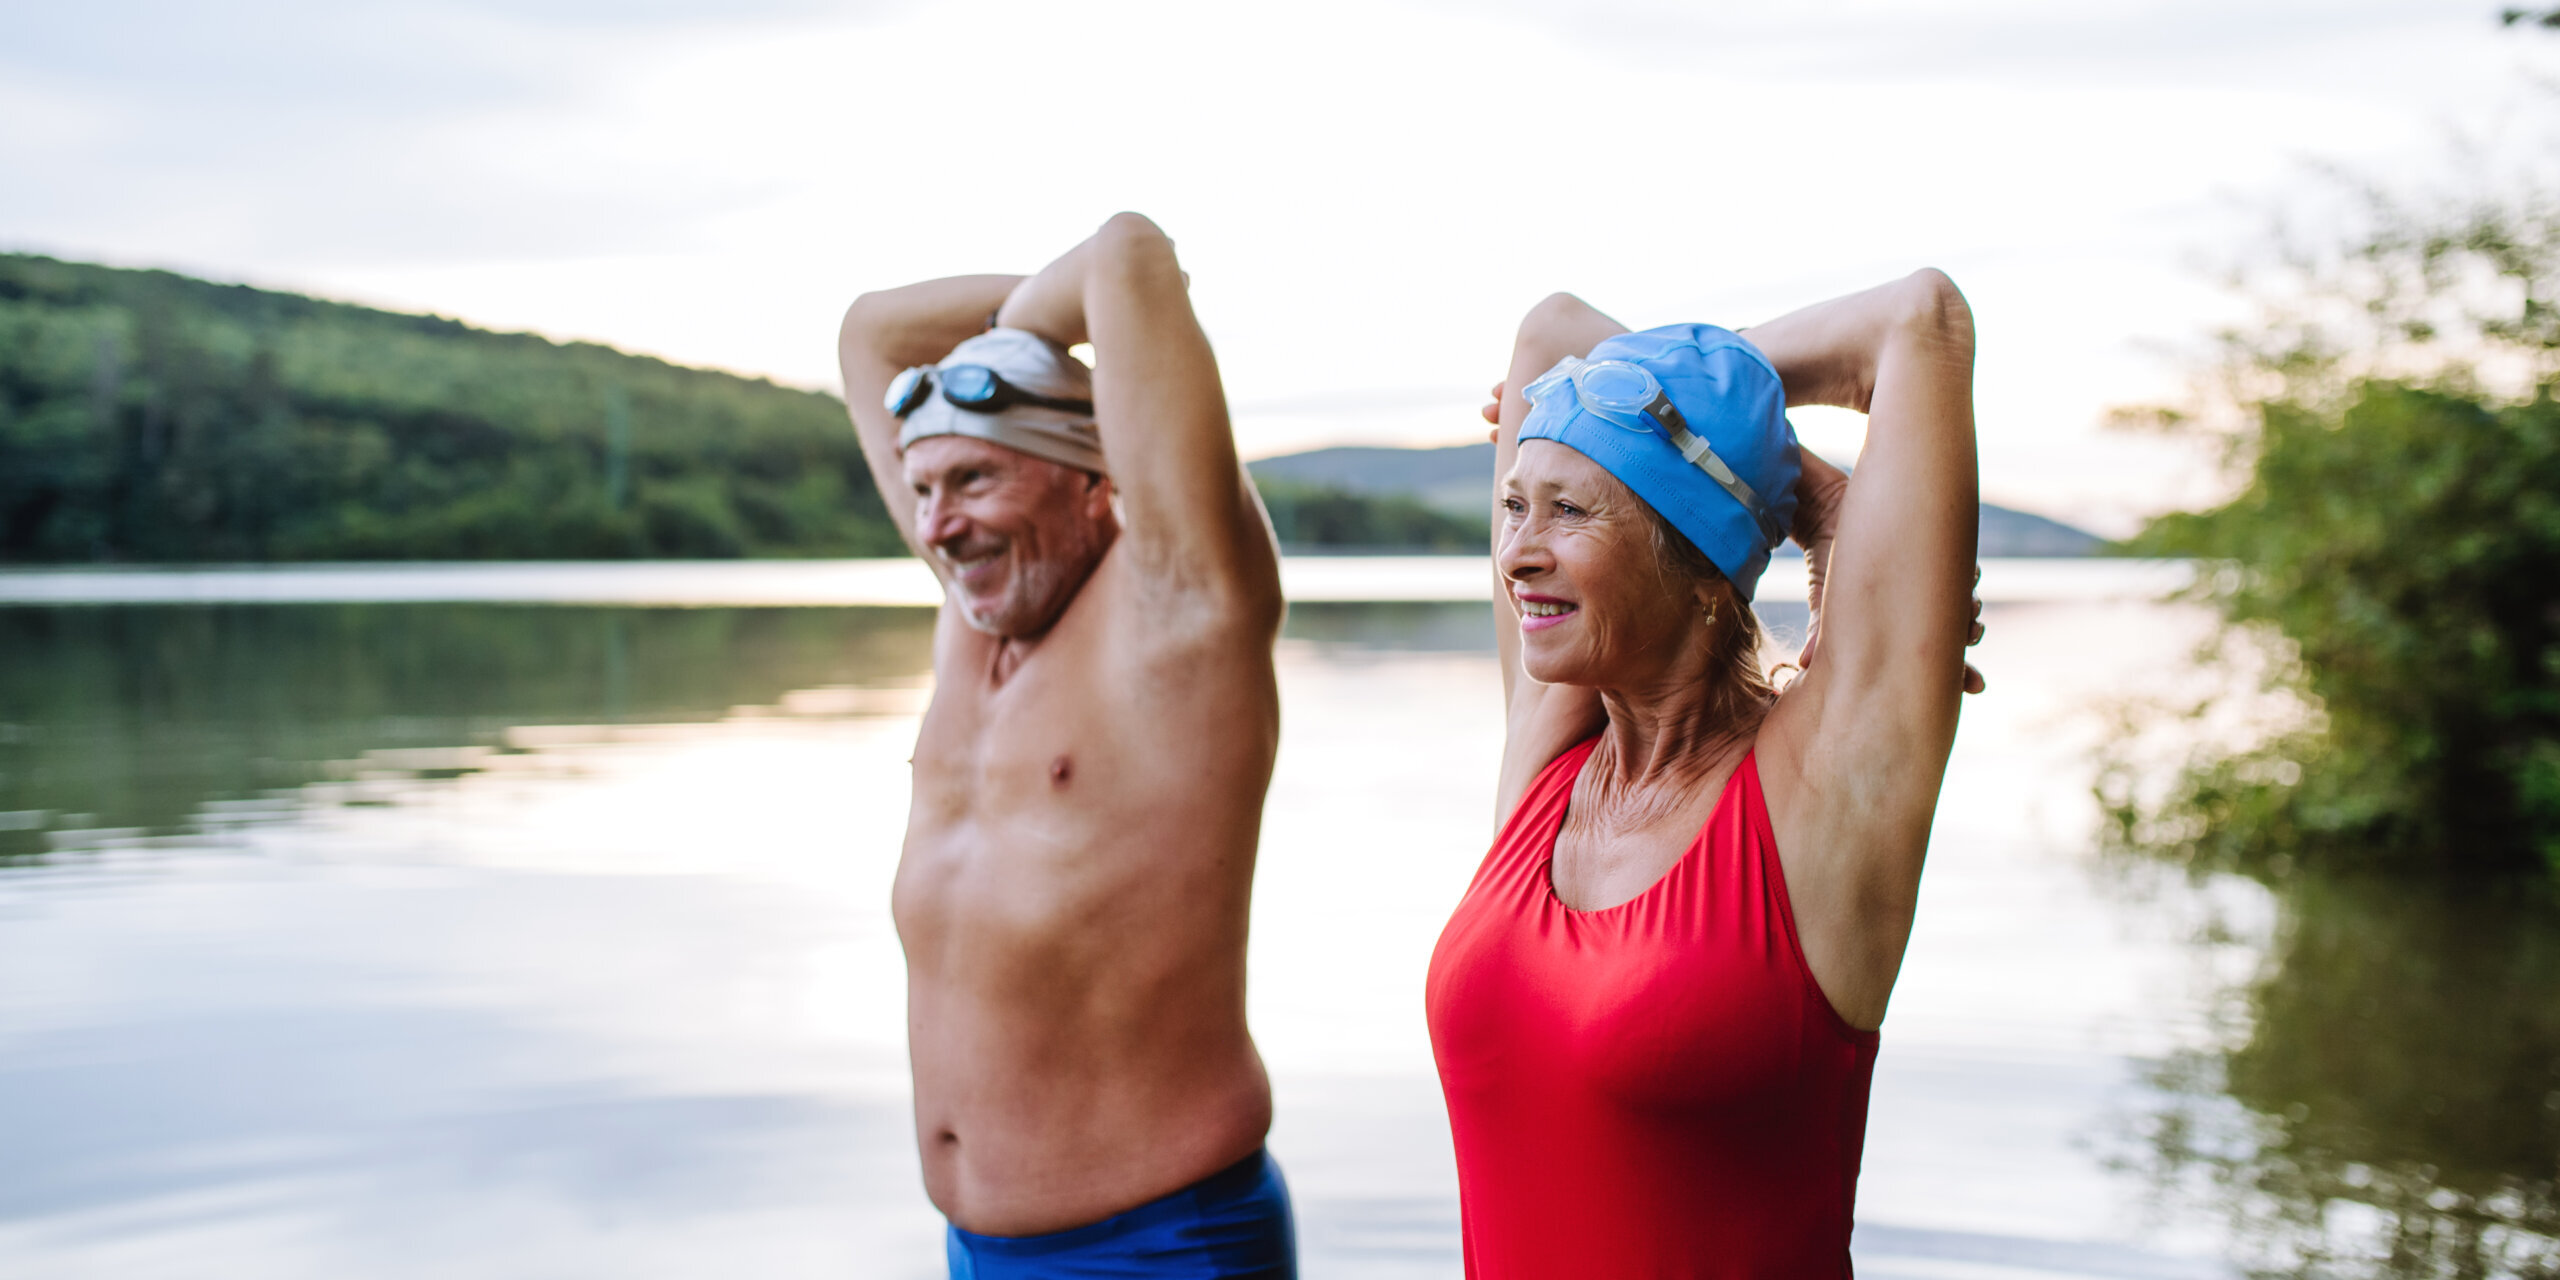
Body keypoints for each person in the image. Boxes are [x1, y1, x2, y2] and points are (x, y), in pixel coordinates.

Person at [1424, 275, 1985, 1277]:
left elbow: (1920, 322)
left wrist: (1773, 475)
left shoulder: (1825, 787)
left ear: (1694, 559)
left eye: (1569, 511)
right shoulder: (1549, 753)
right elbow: (1548, 326)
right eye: (1514, 505)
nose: (1516, 555)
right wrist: (1735, 445)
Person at [836, 213, 1294, 1279]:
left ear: (1094, 480)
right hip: (974, 1245)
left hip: (1160, 1242)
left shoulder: (1182, 614)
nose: (938, 525)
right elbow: (867, 332)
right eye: (924, 488)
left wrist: (1029, 333)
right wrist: (1011, 350)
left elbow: (1127, 257)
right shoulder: (976, 612)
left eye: (977, 482)